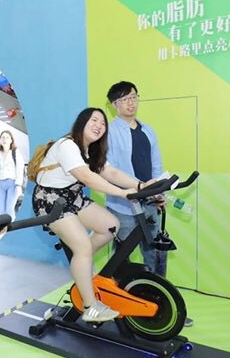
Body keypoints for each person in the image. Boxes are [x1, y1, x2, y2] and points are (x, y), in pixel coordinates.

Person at [28, 107, 146, 322]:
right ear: (81, 122)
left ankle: (82, 265)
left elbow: (111, 173)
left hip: (72, 197)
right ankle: (90, 307)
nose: (99, 125)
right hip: (50, 201)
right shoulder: (67, 145)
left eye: (103, 123)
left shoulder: (90, 151)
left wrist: (140, 185)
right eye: (94, 120)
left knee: (110, 225)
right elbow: (86, 177)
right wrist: (122, 193)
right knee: (82, 247)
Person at [105, 81, 194, 327]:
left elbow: (156, 166)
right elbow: (109, 171)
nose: (130, 102)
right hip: (123, 205)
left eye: (133, 97)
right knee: (121, 257)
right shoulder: (109, 132)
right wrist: (136, 188)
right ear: (114, 105)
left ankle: (163, 305)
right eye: (124, 99)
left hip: (149, 203)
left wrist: (159, 191)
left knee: (155, 254)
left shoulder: (148, 131)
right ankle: (116, 305)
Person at [0, 130, 25, 219]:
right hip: (1, 183)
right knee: (0, 209)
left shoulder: (15, 152)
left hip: (12, 183)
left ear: (11, 140)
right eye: (3, 137)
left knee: (9, 209)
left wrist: (18, 185)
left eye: (7, 137)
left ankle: (11, 225)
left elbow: (20, 168)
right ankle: (3, 225)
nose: (5, 139)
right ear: (0, 139)